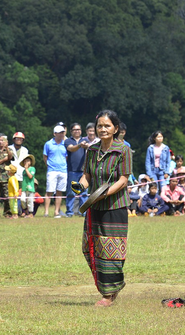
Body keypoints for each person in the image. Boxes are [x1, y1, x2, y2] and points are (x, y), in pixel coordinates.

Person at [78, 110, 131, 307]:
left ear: (115, 128)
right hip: (94, 206)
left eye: (107, 126)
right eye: (99, 126)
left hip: (115, 207)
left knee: (112, 251)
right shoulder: (91, 150)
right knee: (91, 247)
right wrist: (81, 185)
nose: (102, 129)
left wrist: (105, 193)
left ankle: (109, 294)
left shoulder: (123, 150)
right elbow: (87, 176)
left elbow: (123, 179)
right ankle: (109, 287)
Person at [43, 125, 68, 218]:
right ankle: (46, 212)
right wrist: (49, 166)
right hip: (52, 170)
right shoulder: (48, 144)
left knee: (59, 192)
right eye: (59, 133)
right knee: (49, 191)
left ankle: (56, 211)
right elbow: (45, 157)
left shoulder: (65, 143)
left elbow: (66, 157)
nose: (61, 134)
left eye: (62, 132)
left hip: (63, 170)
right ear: (54, 134)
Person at [65, 123, 89, 217]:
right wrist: (79, 145)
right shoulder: (68, 141)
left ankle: (83, 212)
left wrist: (86, 146)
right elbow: (71, 148)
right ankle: (69, 212)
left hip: (83, 171)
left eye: (78, 129)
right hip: (72, 170)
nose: (77, 131)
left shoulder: (84, 140)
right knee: (71, 192)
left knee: (84, 192)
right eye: (75, 129)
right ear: (71, 131)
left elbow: (89, 147)